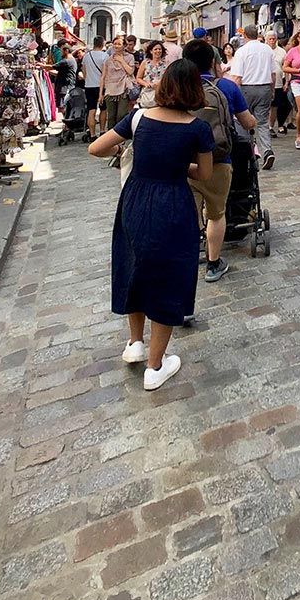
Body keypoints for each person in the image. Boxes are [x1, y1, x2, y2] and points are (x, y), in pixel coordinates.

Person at [88, 60, 214, 390]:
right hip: (172, 203)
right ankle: (156, 367)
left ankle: (134, 343)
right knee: (168, 277)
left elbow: (95, 148)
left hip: (135, 198)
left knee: (134, 265)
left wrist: (132, 151)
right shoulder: (197, 128)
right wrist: (176, 166)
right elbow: (204, 174)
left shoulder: (138, 118)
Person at [183, 39, 256, 281]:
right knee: (216, 212)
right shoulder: (226, 86)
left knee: (190, 212)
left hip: (185, 160)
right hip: (219, 157)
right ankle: (214, 264)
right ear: (214, 62)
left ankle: (191, 255)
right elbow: (247, 122)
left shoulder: (177, 87)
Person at [229, 25, 277, 170]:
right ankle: (267, 150)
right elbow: (273, 73)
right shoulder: (267, 49)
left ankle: (249, 151)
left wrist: (233, 95)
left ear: (245, 36)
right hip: (264, 87)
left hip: (247, 89)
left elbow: (237, 77)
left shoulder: (242, 51)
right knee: (262, 122)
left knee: (243, 121)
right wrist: (272, 89)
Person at [99, 34, 136, 130]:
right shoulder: (108, 59)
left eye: (119, 44)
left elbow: (130, 71)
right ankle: (110, 138)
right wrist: (101, 94)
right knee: (111, 116)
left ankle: (120, 136)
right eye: (114, 44)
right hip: (110, 90)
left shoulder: (130, 57)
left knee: (121, 114)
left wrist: (121, 60)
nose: (116, 46)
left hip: (123, 89)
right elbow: (103, 76)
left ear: (124, 45)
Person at [82, 36, 109, 140]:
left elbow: (84, 71)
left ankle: (92, 134)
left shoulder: (86, 56)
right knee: (103, 109)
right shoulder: (105, 56)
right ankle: (102, 131)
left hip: (89, 86)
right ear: (102, 44)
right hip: (102, 86)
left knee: (91, 110)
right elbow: (105, 73)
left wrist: (87, 80)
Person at [265, 30, 289, 134]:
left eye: (273, 39)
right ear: (266, 40)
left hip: (279, 82)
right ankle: (265, 126)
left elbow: (286, 67)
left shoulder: (282, 51)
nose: (272, 41)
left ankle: (271, 126)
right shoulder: (264, 51)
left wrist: (286, 82)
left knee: (275, 106)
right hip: (265, 82)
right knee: (266, 106)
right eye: (270, 39)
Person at [136, 40, 168, 107]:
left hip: (160, 93)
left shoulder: (166, 63)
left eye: (160, 49)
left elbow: (168, 79)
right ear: (151, 51)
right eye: (155, 49)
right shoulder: (145, 62)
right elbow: (138, 78)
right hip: (147, 93)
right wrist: (146, 84)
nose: (158, 51)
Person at [51, 44, 77, 112]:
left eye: (62, 51)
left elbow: (52, 66)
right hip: (67, 86)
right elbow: (58, 72)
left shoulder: (66, 61)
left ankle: (66, 120)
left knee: (62, 106)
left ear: (66, 51)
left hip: (64, 87)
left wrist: (42, 66)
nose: (61, 54)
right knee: (64, 106)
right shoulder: (72, 60)